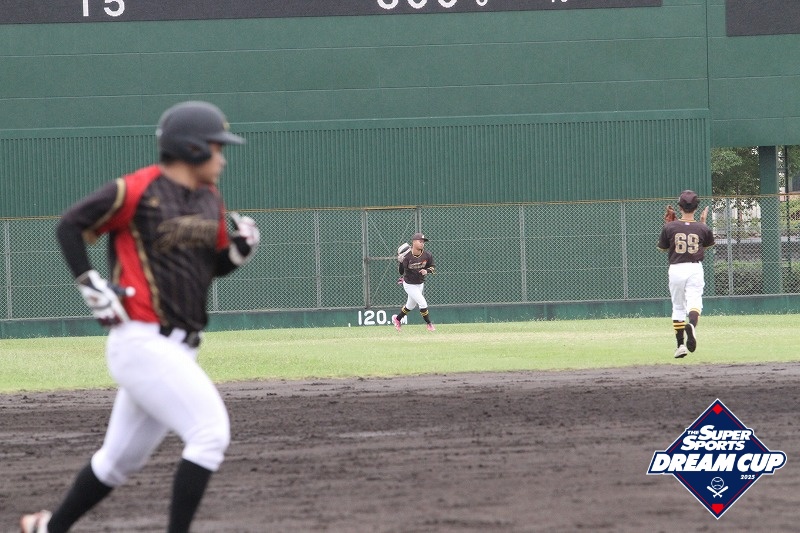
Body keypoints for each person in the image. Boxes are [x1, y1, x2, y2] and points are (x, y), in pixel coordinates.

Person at [20, 101, 259, 533]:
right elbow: (70, 225)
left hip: (178, 349)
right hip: (142, 341)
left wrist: (238, 253)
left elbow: (210, 267)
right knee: (209, 434)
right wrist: (88, 280)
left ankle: (47, 529)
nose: (222, 158)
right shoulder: (135, 189)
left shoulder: (210, 199)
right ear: (191, 148)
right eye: (216, 147)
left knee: (117, 462)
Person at [658, 190, 714, 359]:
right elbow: (706, 246)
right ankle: (692, 326)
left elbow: (662, 248)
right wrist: (702, 223)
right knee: (694, 303)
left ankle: (680, 346)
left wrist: (671, 227)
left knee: (678, 307)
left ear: (680, 207)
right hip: (694, 268)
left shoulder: (670, 227)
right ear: (696, 207)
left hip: (676, 268)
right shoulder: (703, 228)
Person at [392, 232, 436, 331]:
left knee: (410, 306)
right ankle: (429, 324)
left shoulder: (427, 255)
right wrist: (400, 262)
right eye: (420, 241)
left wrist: (427, 271)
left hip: (420, 283)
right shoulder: (407, 256)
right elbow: (401, 272)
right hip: (409, 284)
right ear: (414, 242)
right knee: (423, 303)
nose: (422, 243)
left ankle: (397, 319)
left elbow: (433, 267)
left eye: (423, 242)